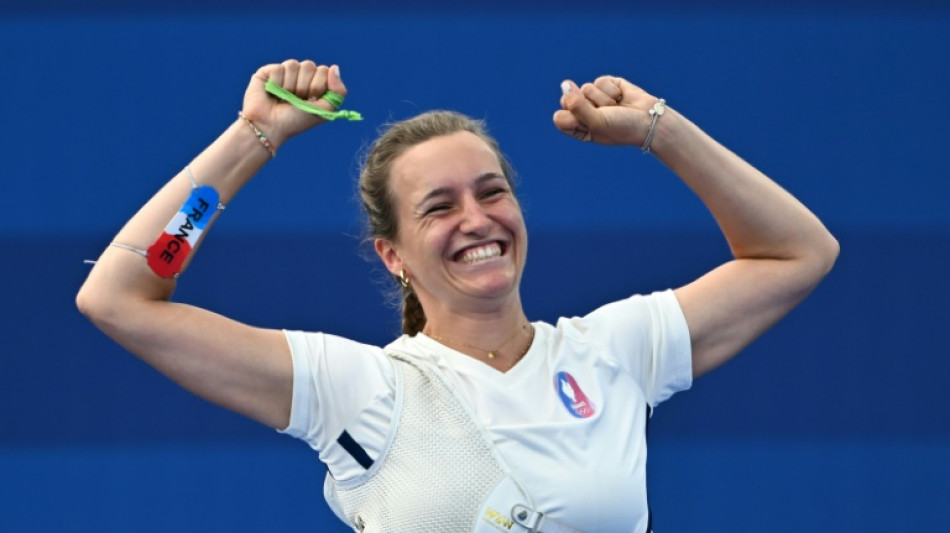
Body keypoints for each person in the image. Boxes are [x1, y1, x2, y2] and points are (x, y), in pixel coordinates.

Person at [76, 59, 839, 532]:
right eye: (439, 207)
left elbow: (798, 251)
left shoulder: (616, 350)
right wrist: (255, 135)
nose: (477, 220)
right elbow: (119, 296)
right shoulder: (356, 389)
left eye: (492, 192)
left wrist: (658, 130)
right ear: (393, 254)